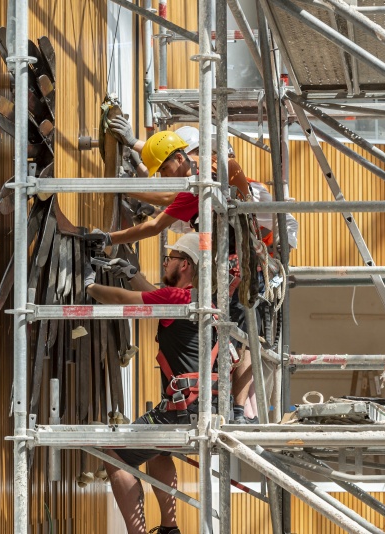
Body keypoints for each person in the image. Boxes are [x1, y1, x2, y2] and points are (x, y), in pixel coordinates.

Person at [99, 125, 260, 424]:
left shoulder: (211, 174)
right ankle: (230, 407)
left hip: (238, 270)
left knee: (239, 339)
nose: (162, 175)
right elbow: (171, 185)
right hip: (231, 265)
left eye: (163, 170)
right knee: (230, 336)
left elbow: (155, 224)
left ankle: (236, 411)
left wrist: (109, 237)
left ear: (180, 158)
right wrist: (134, 146)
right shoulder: (204, 172)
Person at [85, 233, 206, 534]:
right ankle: (169, 529)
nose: (165, 263)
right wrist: (132, 274)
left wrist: (88, 286)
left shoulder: (177, 298)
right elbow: (156, 296)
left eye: (170, 259)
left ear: (185, 265)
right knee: (158, 449)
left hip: (182, 411)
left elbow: (121, 300)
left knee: (113, 452)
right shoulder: (201, 301)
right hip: (204, 406)